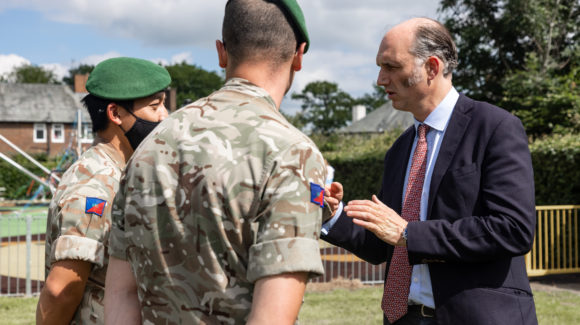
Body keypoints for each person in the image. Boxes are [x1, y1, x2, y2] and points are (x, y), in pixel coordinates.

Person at [104, 1, 329, 324]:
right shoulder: (292, 154)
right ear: (299, 56)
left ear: (221, 52)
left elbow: (122, 295)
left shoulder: (149, 145)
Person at [322, 18, 537, 325]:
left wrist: (410, 234)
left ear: (432, 68)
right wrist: (332, 215)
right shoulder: (400, 149)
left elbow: (512, 229)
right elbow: (384, 246)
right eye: (379, 67)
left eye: (392, 66)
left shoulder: (495, 127)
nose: (381, 79)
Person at [37, 57, 171, 324]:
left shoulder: (121, 174)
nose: (164, 115)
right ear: (115, 114)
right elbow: (60, 291)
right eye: (155, 106)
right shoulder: (95, 186)